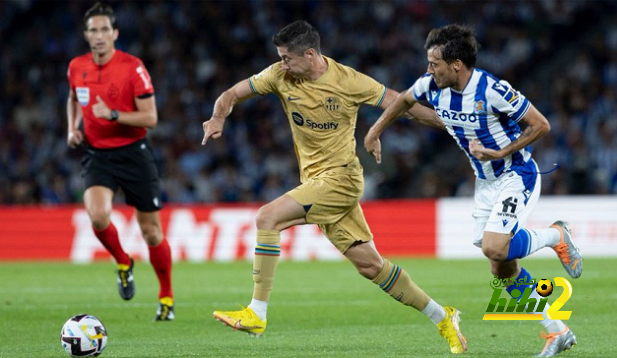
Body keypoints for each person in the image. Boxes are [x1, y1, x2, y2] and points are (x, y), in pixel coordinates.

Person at [202, 20, 466, 354]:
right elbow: (231, 94)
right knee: (371, 266)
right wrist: (218, 117)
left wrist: (456, 125)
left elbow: (402, 104)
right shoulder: (278, 76)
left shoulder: (349, 81)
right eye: (280, 58)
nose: (282, 64)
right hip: (316, 182)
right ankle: (443, 316)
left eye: (287, 58)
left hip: (341, 179)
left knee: (267, 219)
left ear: (310, 54)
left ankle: (257, 312)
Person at [364, 24, 583, 357]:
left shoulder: (493, 89)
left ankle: (556, 235)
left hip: (516, 173)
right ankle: (558, 331)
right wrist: (374, 132)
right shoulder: (430, 85)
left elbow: (541, 125)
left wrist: (500, 152)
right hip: (485, 184)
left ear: (456, 64)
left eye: (434, 63)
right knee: (501, 266)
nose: (428, 70)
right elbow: (404, 100)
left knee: (496, 247)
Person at [66, 2, 174, 321]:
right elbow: (72, 98)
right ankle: (123, 262)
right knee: (98, 215)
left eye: (104, 30)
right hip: (97, 154)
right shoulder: (76, 67)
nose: (99, 36)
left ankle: (166, 296)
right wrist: (72, 127)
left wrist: (113, 114)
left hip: (133, 152)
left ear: (115, 33)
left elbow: (151, 118)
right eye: (93, 30)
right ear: (86, 35)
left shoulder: (132, 67)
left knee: (152, 233)